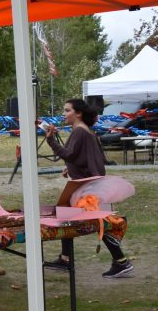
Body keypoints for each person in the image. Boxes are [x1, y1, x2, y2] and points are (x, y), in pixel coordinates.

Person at [43, 98, 134, 278]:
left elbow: (69, 154)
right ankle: (67, 258)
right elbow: (84, 156)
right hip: (90, 184)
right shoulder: (86, 131)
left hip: (88, 187)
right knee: (72, 216)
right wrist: (70, 168)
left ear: (78, 113)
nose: (64, 114)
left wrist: (51, 140)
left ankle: (121, 262)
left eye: (67, 110)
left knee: (98, 221)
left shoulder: (79, 131)